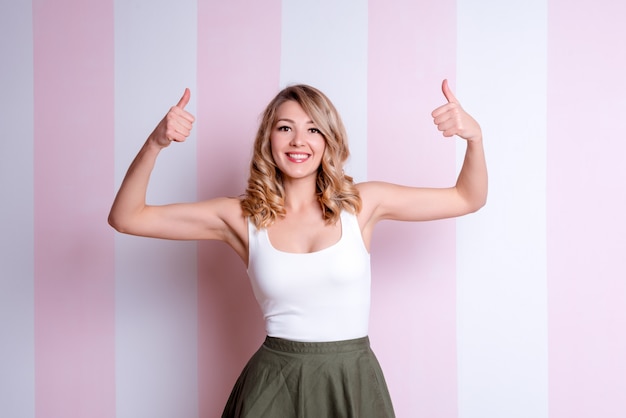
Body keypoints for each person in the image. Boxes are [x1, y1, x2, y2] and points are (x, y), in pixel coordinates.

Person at [108, 80, 487, 417]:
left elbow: (467, 197)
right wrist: (155, 143)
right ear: (268, 140)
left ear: (328, 140)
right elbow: (127, 217)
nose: (298, 142)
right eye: (285, 128)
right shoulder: (241, 217)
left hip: (350, 379)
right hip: (274, 384)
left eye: (313, 129)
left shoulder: (363, 204)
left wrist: (474, 138)